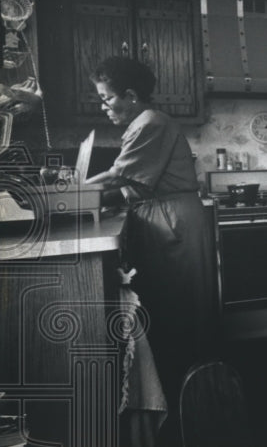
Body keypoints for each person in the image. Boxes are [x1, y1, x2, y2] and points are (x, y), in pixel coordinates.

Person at [85, 56, 211, 444]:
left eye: (107, 99)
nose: (104, 107)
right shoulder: (143, 123)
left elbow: (118, 174)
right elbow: (127, 180)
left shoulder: (150, 123)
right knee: (170, 310)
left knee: (180, 309)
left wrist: (64, 193)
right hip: (162, 216)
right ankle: (179, 400)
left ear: (132, 95)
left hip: (171, 221)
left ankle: (196, 407)